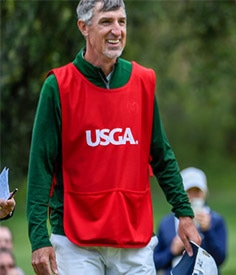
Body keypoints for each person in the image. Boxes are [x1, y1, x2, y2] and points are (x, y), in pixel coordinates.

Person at [26, 0, 201, 274]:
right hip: (74, 239)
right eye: (106, 21)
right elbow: (41, 167)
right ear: (83, 27)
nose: (116, 30)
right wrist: (38, 238)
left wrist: (184, 213)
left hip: (133, 237)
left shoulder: (143, 81)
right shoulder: (58, 86)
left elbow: (161, 155)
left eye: (122, 21)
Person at [154, 167, 227, 274]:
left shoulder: (216, 220)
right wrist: (172, 251)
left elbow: (220, 259)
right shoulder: (166, 223)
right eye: (189, 192)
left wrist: (208, 230)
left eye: (197, 192)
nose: (193, 197)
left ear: (204, 193)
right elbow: (155, 262)